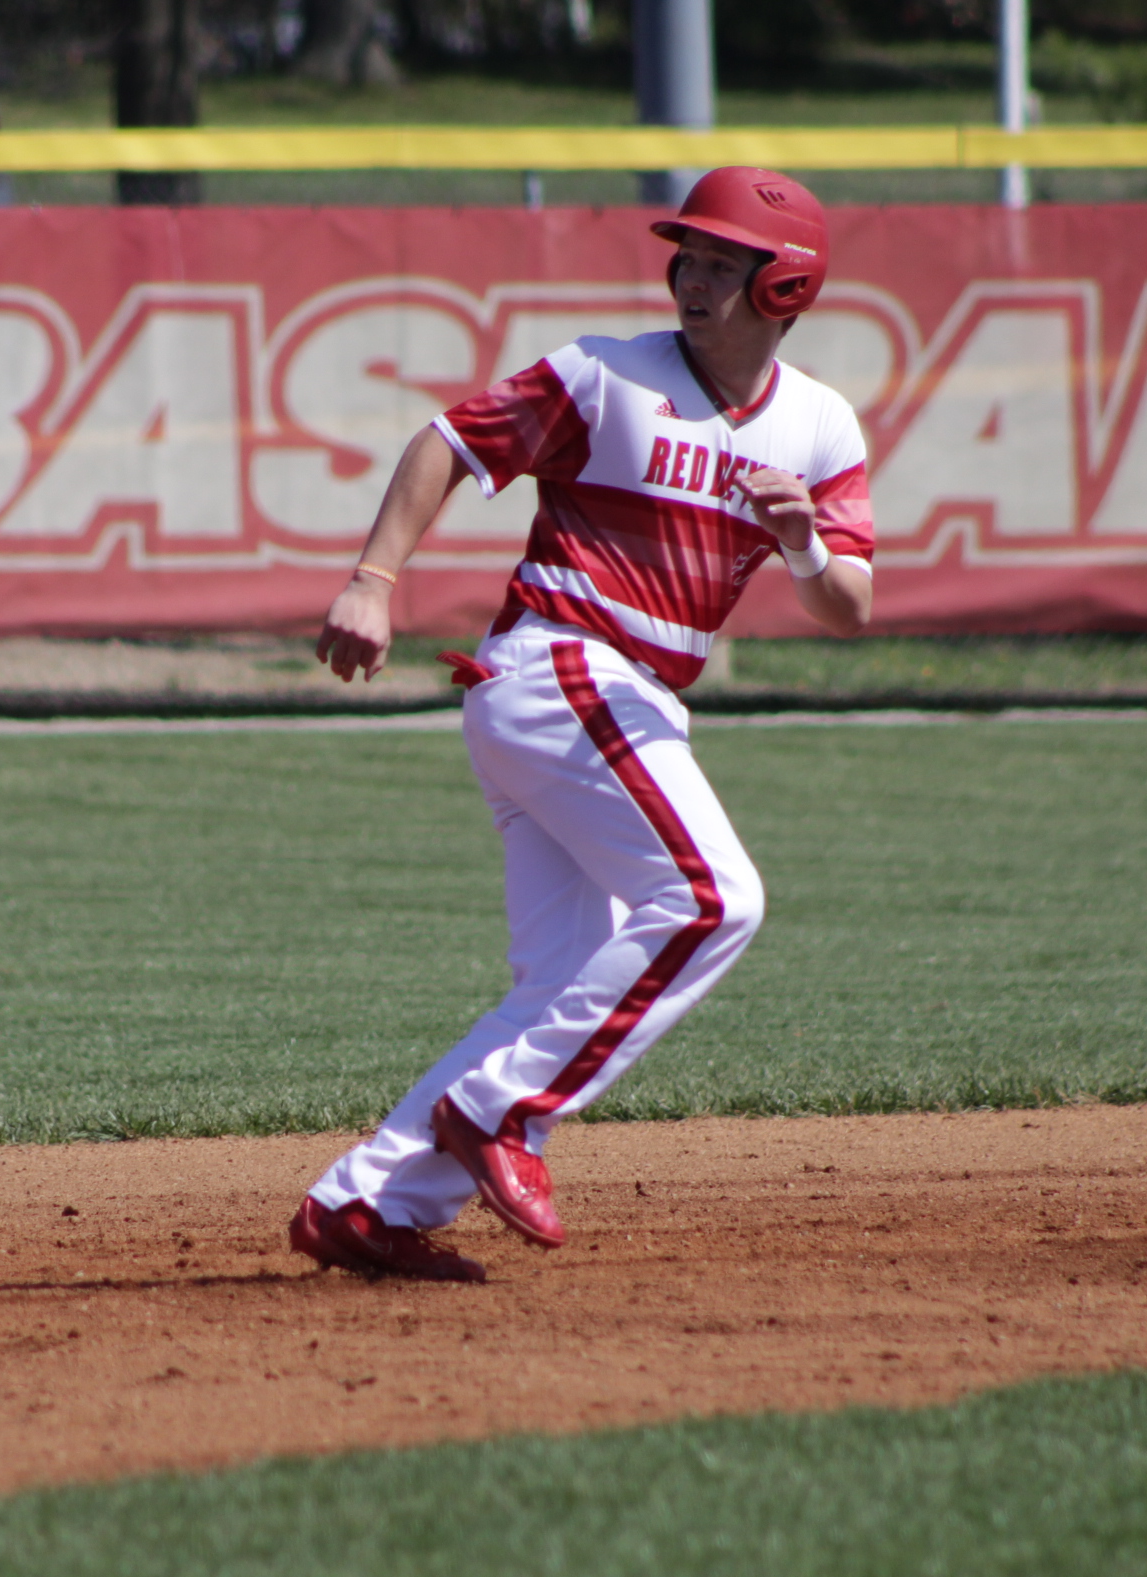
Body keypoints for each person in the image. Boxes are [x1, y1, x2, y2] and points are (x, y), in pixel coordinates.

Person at [288, 167, 876, 1282]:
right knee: (715, 899)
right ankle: (505, 1111)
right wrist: (372, 579)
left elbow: (848, 606)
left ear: (787, 286)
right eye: (688, 255)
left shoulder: (819, 425)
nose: (691, 276)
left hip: (612, 703)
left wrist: (802, 541)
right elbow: (448, 442)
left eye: (721, 262)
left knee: (564, 982)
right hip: (562, 667)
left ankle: (368, 1203)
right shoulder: (606, 373)